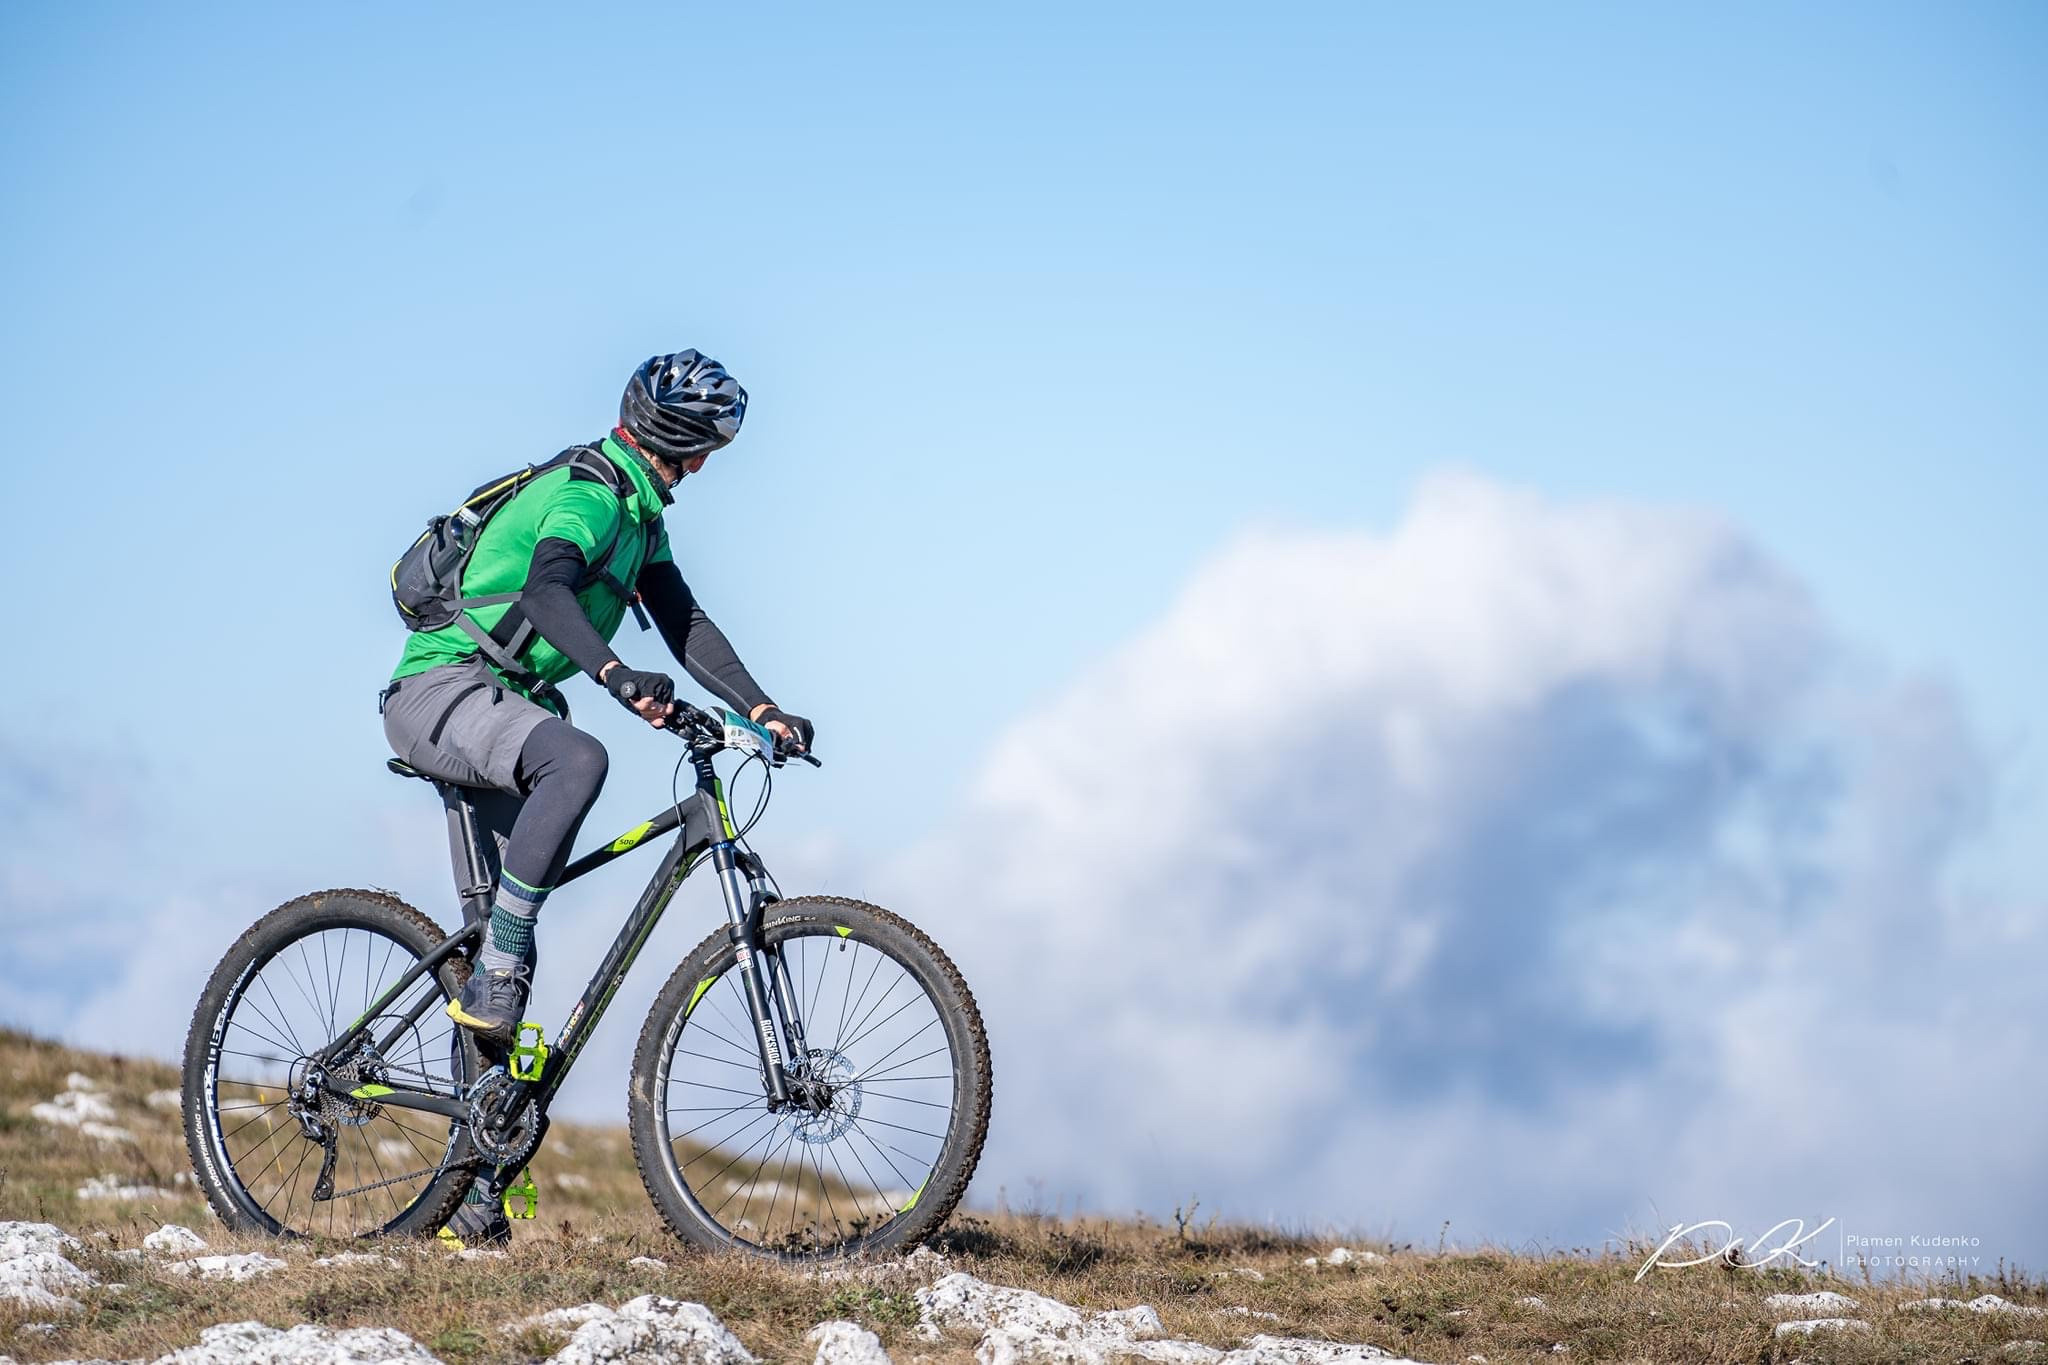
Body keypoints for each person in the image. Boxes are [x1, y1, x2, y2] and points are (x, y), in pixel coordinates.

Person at [379, 350, 814, 1047]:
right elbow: (544, 592)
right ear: (683, 445)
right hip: (443, 687)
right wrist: (617, 676)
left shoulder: (641, 520)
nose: (705, 465)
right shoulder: (591, 496)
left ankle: (482, 1104)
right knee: (578, 762)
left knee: (508, 938)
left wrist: (762, 709)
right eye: (704, 449)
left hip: (509, 703)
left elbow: (684, 623)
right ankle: (495, 970)